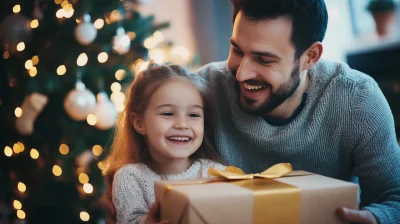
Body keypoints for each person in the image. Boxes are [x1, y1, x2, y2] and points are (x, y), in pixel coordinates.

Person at [101, 0, 400, 223]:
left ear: (310, 56)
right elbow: (150, 153)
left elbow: (394, 197)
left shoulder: (356, 98)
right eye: (237, 50)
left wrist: (374, 219)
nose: (242, 73)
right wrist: (122, 190)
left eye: (264, 59)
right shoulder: (202, 91)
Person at [101, 64, 226, 224]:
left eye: (193, 114)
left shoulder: (215, 174)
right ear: (139, 123)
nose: (182, 124)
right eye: (167, 113)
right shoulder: (129, 178)